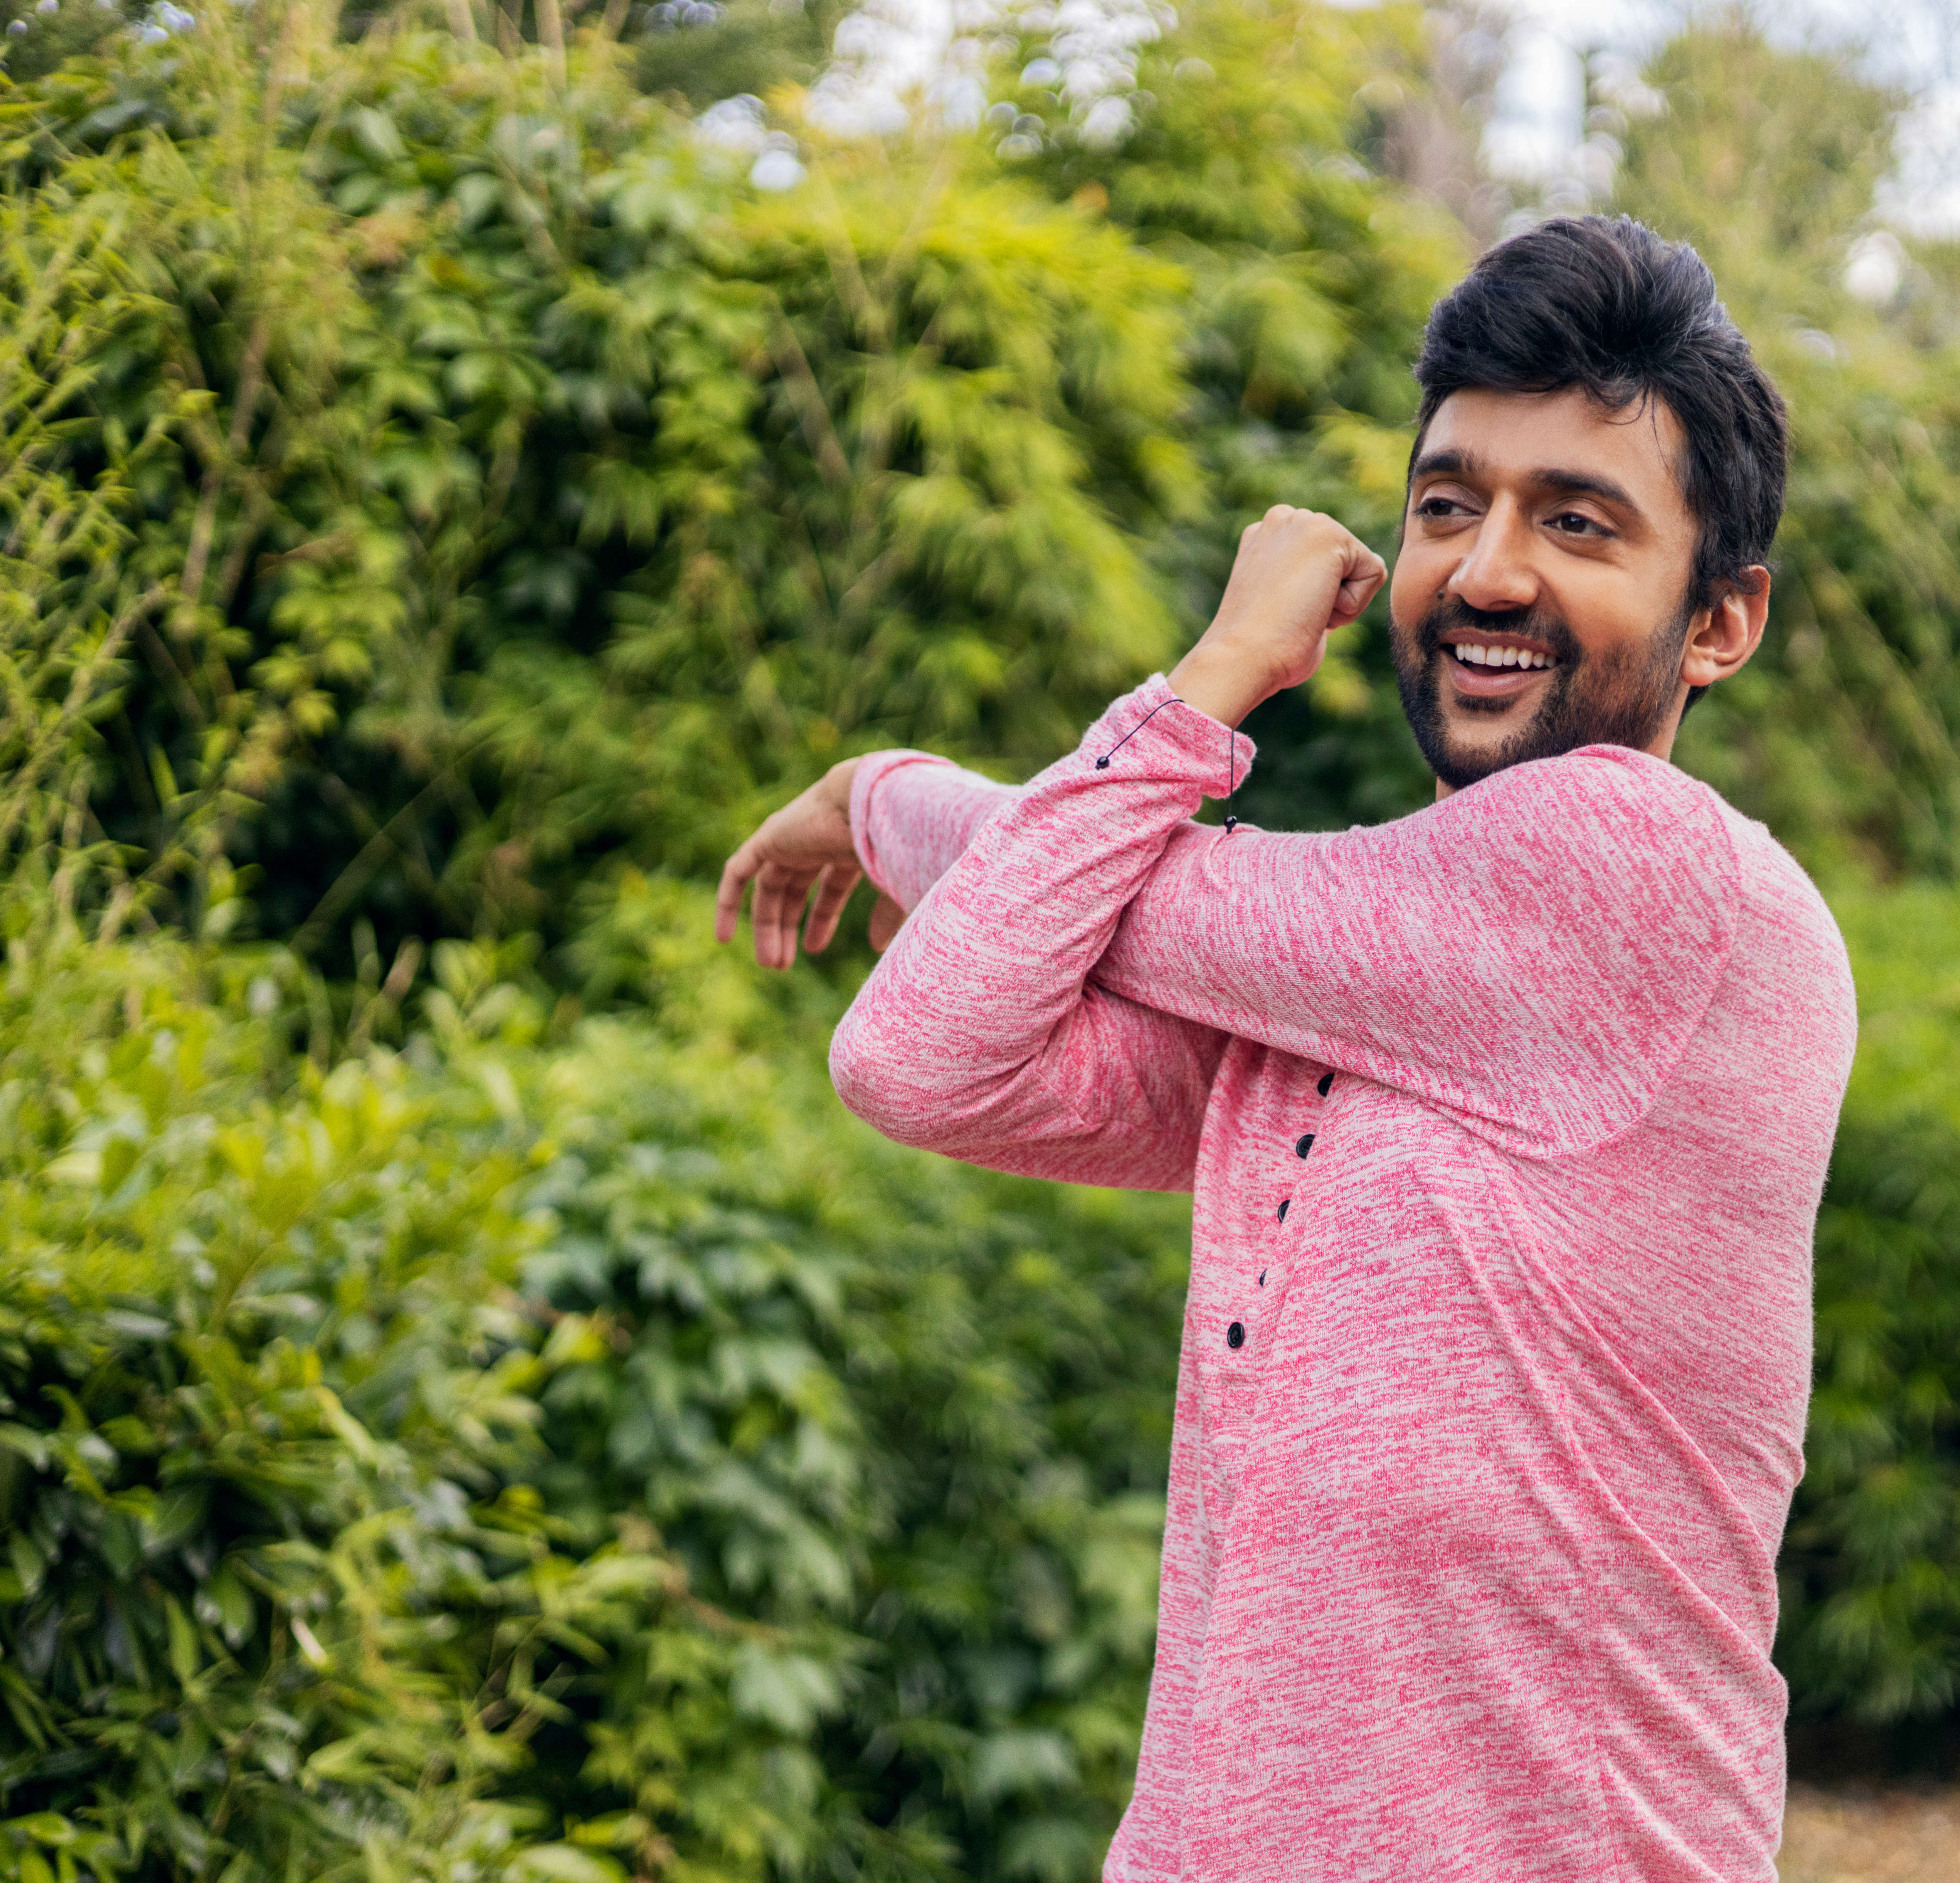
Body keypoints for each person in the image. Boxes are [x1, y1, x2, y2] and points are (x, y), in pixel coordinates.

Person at [716, 214, 1857, 1883]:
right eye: (1449, 502)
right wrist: (1005, 853)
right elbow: (924, 1057)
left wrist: (907, 789)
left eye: (1579, 521)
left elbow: (1160, 908)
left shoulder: (1653, 873)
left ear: (1720, 622)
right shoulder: (1367, 986)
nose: (1485, 569)